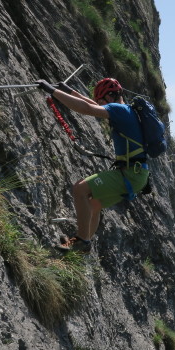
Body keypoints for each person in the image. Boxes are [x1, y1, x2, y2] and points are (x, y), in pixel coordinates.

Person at [36, 77, 149, 253]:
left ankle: (81, 241)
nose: (99, 103)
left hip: (131, 174)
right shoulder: (126, 111)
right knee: (94, 203)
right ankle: (83, 244)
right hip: (137, 175)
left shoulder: (119, 110)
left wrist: (52, 91)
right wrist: (70, 91)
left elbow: (87, 109)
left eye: (102, 100)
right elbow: (94, 106)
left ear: (110, 96)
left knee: (80, 189)